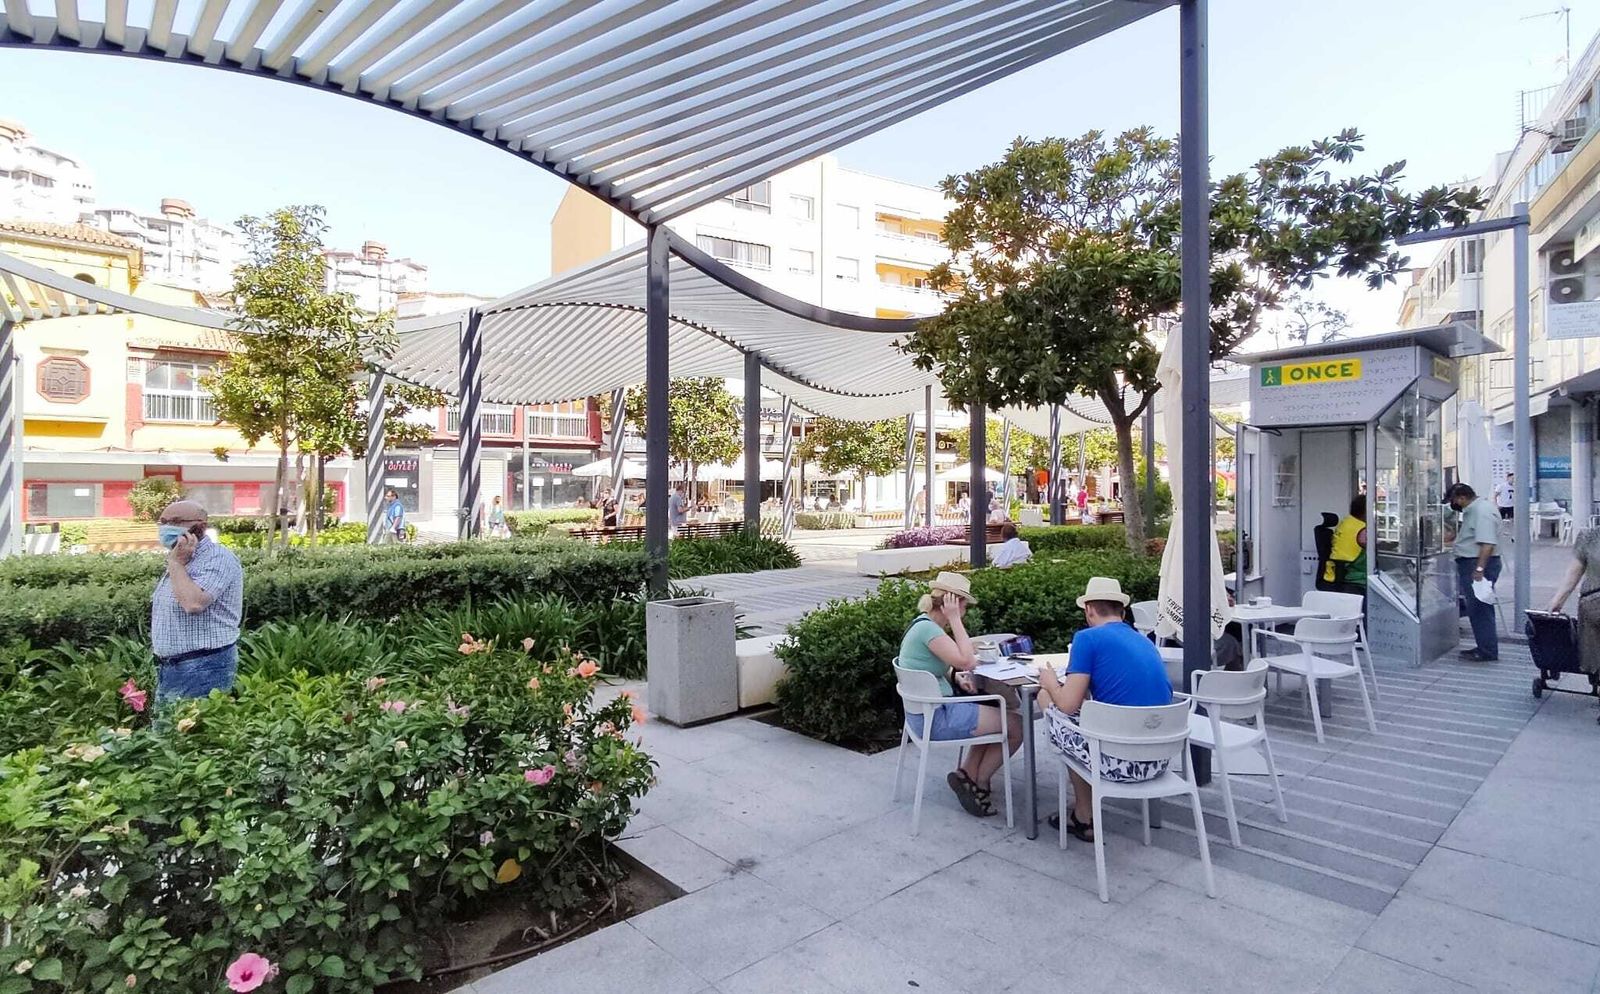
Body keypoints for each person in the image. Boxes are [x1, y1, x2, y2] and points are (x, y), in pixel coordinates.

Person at [1033, 576, 1174, 841]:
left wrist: (1051, 683)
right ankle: (1084, 811)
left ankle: (1084, 815)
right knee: (1079, 713)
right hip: (1158, 760)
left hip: (1119, 763)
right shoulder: (1144, 641)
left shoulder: (1088, 639)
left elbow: (1066, 704)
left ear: (1088, 610)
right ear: (1121, 612)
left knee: (1048, 701)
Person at [896, 572, 1023, 817]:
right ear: (952, 602)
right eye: (963, 605)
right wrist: (955, 620)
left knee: (995, 712)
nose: (965, 610)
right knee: (1016, 726)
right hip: (935, 718)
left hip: (925, 713)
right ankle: (979, 783)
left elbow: (932, 667)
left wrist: (954, 677)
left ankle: (965, 775)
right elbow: (967, 661)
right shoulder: (930, 631)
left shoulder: (923, 624)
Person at [151, 500, 244, 705]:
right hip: (171, 668)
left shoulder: (218, 558)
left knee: (191, 734)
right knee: (166, 735)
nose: (166, 527)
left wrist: (176, 564)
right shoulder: (182, 557)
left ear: (200, 526)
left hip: (203, 666)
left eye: (175, 521)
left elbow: (193, 603)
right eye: (163, 522)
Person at [1447, 482, 1501, 661]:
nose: (1453, 504)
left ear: (1462, 498)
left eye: (1454, 500)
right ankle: (1483, 646)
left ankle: (1487, 650)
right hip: (1473, 563)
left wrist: (1479, 569)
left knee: (1480, 608)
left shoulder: (1481, 511)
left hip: (1478, 564)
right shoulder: (1477, 509)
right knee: (1476, 607)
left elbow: (1488, 543)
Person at [1547, 526, 1600, 676]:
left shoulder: (1589, 536)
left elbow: (1574, 572)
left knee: (1594, 650)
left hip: (1593, 604)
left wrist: (1557, 601)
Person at [1320, 495, 1368, 599]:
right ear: (1366, 511)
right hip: (1355, 576)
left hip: (1338, 573)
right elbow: (1374, 548)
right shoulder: (1363, 530)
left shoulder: (1346, 522)